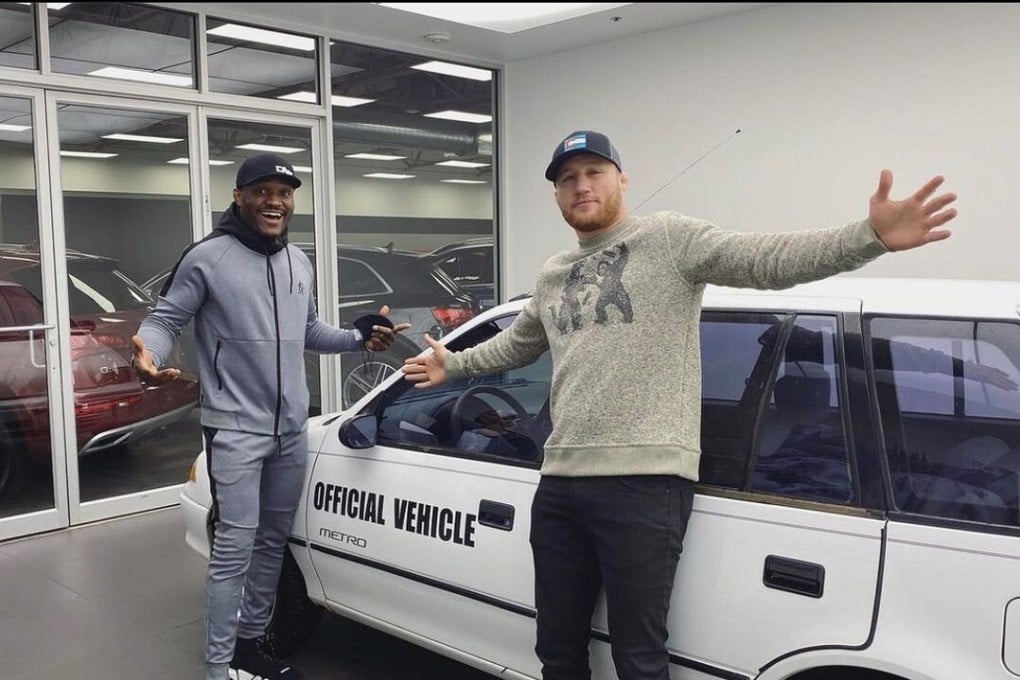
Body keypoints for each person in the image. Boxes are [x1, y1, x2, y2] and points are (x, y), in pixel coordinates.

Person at [401, 130, 959, 680]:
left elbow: (766, 259)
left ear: (621, 180)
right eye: (567, 179)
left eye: (594, 172)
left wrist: (869, 236)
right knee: (557, 649)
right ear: (557, 195)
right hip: (560, 482)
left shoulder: (668, 240)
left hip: (643, 483)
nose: (581, 185)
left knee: (639, 658)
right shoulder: (553, 274)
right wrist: (455, 364)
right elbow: (518, 344)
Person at [131, 152, 410, 680]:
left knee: (271, 544)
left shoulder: (297, 260)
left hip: (290, 431)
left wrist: (359, 337)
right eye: (262, 191)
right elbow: (164, 320)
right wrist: (149, 354)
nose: (275, 201)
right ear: (239, 196)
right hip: (234, 428)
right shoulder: (208, 257)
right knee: (234, 548)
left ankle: (250, 647)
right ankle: (218, 667)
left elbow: (309, 331)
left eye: (284, 193)